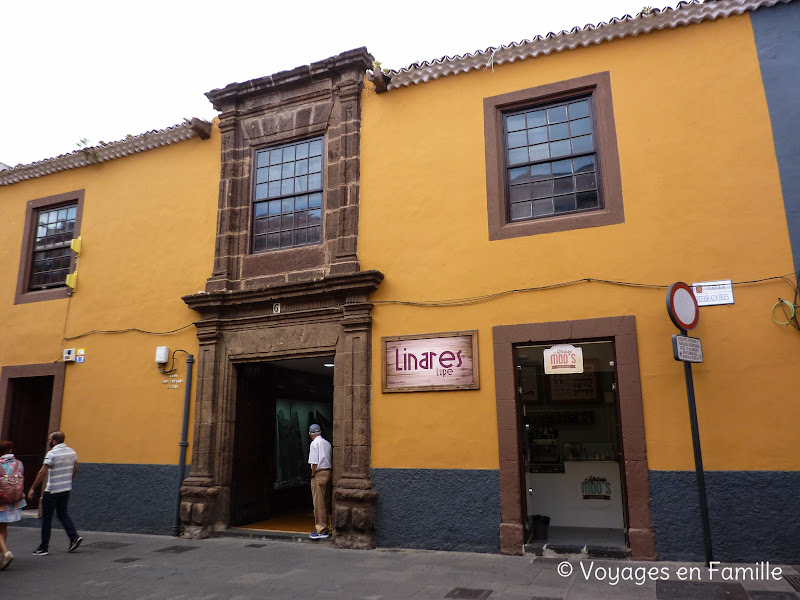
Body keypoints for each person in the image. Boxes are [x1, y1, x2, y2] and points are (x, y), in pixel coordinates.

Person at [27, 431, 82, 555]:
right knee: (63, 514)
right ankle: (74, 537)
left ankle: (44, 547)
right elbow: (75, 468)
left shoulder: (51, 454)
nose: (49, 442)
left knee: (47, 518)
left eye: (50, 439)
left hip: (52, 491)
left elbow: (42, 472)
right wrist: (68, 480)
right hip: (65, 489)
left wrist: (33, 487)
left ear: (54, 441)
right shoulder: (72, 452)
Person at [0, 440, 26, 570]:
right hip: (12, 501)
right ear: (10, 451)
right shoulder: (19, 464)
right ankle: (3, 553)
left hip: (0, 500)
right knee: (3, 527)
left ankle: (6, 552)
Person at [307, 423, 332, 540]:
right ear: (320, 432)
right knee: (326, 502)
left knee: (318, 504)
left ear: (310, 434)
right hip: (328, 473)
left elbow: (314, 463)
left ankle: (321, 530)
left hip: (319, 474)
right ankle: (328, 527)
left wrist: (312, 476)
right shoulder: (327, 443)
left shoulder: (314, 444)